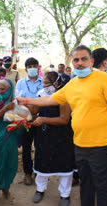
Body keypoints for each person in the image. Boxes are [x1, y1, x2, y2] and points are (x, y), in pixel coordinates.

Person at [16, 45, 107, 206]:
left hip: (104, 146)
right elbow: (49, 100)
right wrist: (26, 100)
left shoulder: (105, 79)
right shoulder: (73, 84)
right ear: (73, 62)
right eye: (76, 60)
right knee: (86, 188)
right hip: (80, 145)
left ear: (92, 61)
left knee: (104, 190)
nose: (80, 63)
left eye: (84, 59)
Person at [32, 71, 74, 206]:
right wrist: (27, 104)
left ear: (56, 83)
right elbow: (34, 111)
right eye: (43, 83)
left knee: (64, 164)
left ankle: (65, 195)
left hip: (62, 136)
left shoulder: (64, 97)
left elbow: (64, 119)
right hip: (44, 135)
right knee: (42, 160)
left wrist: (44, 119)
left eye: (46, 83)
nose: (44, 86)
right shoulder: (41, 94)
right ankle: (40, 189)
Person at [0, 78, 24, 202]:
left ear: (10, 89)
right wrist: (5, 109)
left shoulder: (15, 101)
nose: (1, 92)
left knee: (9, 162)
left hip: (11, 135)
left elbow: (22, 118)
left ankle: (5, 187)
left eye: (4, 89)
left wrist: (20, 124)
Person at [16, 57, 43, 185]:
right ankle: (27, 173)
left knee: (40, 146)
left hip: (41, 118)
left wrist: (36, 112)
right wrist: (29, 111)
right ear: (26, 68)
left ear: (38, 67)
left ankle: (39, 171)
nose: (33, 68)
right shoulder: (21, 82)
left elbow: (47, 99)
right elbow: (17, 100)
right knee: (26, 147)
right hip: (25, 119)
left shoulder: (44, 81)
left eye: (35, 66)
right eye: (30, 66)